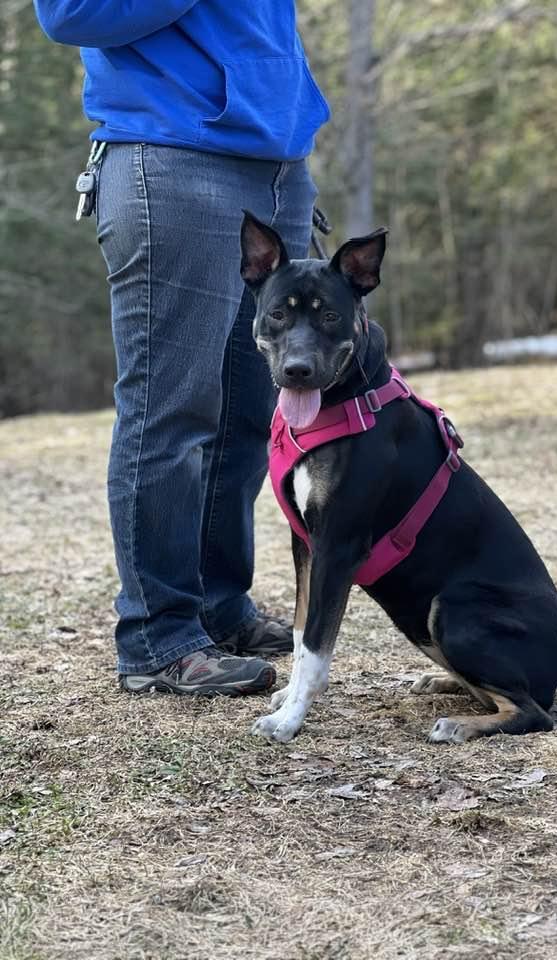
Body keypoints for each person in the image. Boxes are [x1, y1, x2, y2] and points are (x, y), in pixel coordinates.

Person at [33, 1, 330, 695]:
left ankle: (218, 606)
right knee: (173, 410)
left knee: (248, 412)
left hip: (276, 163)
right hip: (172, 157)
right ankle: (158, 636)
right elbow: (68, 14)